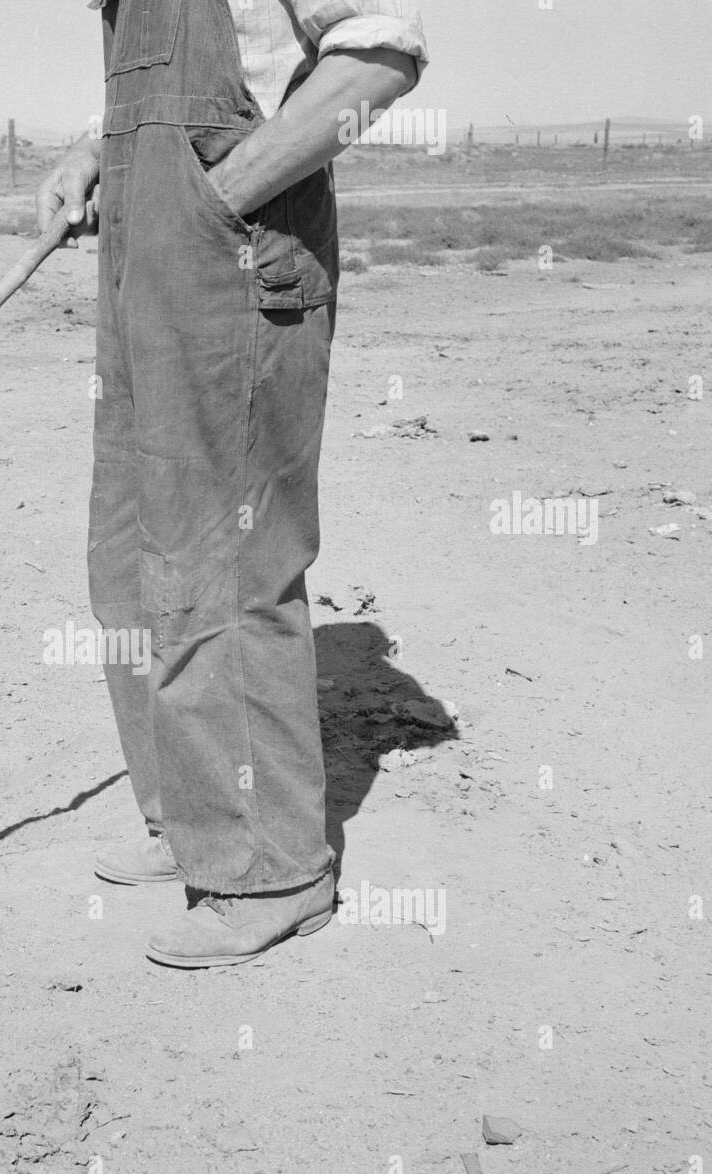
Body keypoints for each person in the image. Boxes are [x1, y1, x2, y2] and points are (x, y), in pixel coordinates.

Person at [36, 0, 428, 968]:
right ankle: (189, 822)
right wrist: (94, 155)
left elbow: (381, 56)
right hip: (143, 261)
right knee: (129, 553)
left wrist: (222, 191)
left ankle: (272, 871)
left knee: (225, 558)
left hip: (233, 255)